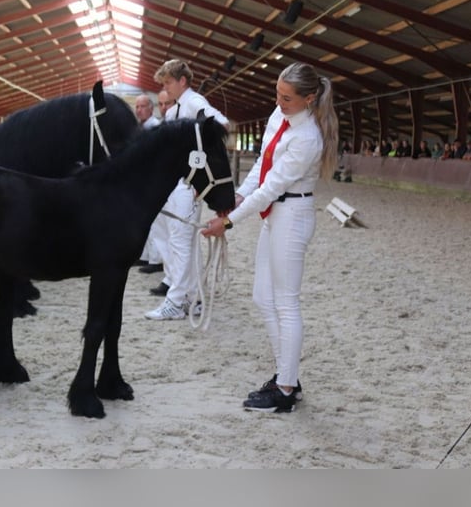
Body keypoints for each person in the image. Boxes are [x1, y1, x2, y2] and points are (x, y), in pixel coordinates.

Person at [201, 62, 338, 413]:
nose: (279, 102)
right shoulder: (279, 117)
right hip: (273, 212)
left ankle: (286, 388)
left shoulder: (307, 137)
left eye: (287, 97)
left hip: (292, 215)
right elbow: (261, 168)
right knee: (263, 298)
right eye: (277, 94)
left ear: (309, 98)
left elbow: (273, 186)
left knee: (286, 302)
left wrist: (229, 222)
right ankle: (285, 374)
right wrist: (237, 197)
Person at [145, 58, 229, 321]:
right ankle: (193, 297)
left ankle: (176, 301)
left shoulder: (193, 102)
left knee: (181, 243)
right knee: (180, 243)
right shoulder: (174, 110)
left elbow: (220, 123)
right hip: (175, 182)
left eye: (168, 82)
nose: (165, 88)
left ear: (182, 81)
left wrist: (201, 168)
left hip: (187, 184)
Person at [135, 92, 168, 274]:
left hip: (151, 180)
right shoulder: (139, 128)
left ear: (151, 108)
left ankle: (156, 260)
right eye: (137, 107)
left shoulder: (156, 127)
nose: (139, 110)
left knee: (156, 222)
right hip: (141, 181)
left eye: (142, 106)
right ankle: (145, 256)